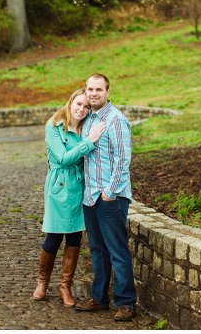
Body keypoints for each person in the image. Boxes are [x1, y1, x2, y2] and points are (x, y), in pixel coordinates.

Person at [33, 89, 105, 306]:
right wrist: (89, 142)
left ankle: (65, 287)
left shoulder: (86, 127)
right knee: (53, 237)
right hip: (58, 186)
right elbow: (63, 159)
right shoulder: (53, 126)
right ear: (71, 101)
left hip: (79, 186)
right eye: (79, 104)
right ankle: (42, 282)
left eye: (86, 107)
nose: (82, 110)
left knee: (74, 238)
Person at [74, 73, 137, 322]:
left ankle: (126, 303)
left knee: (117, 251)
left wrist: (110, 192)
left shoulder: (116, 120)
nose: (93, 93)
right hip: (90, 196)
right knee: (98, 250)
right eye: (90, 89)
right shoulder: (89, 119)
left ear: (107, 92)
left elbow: (123, 160)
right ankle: (99, 298)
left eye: (98, 89)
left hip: (111, 197)